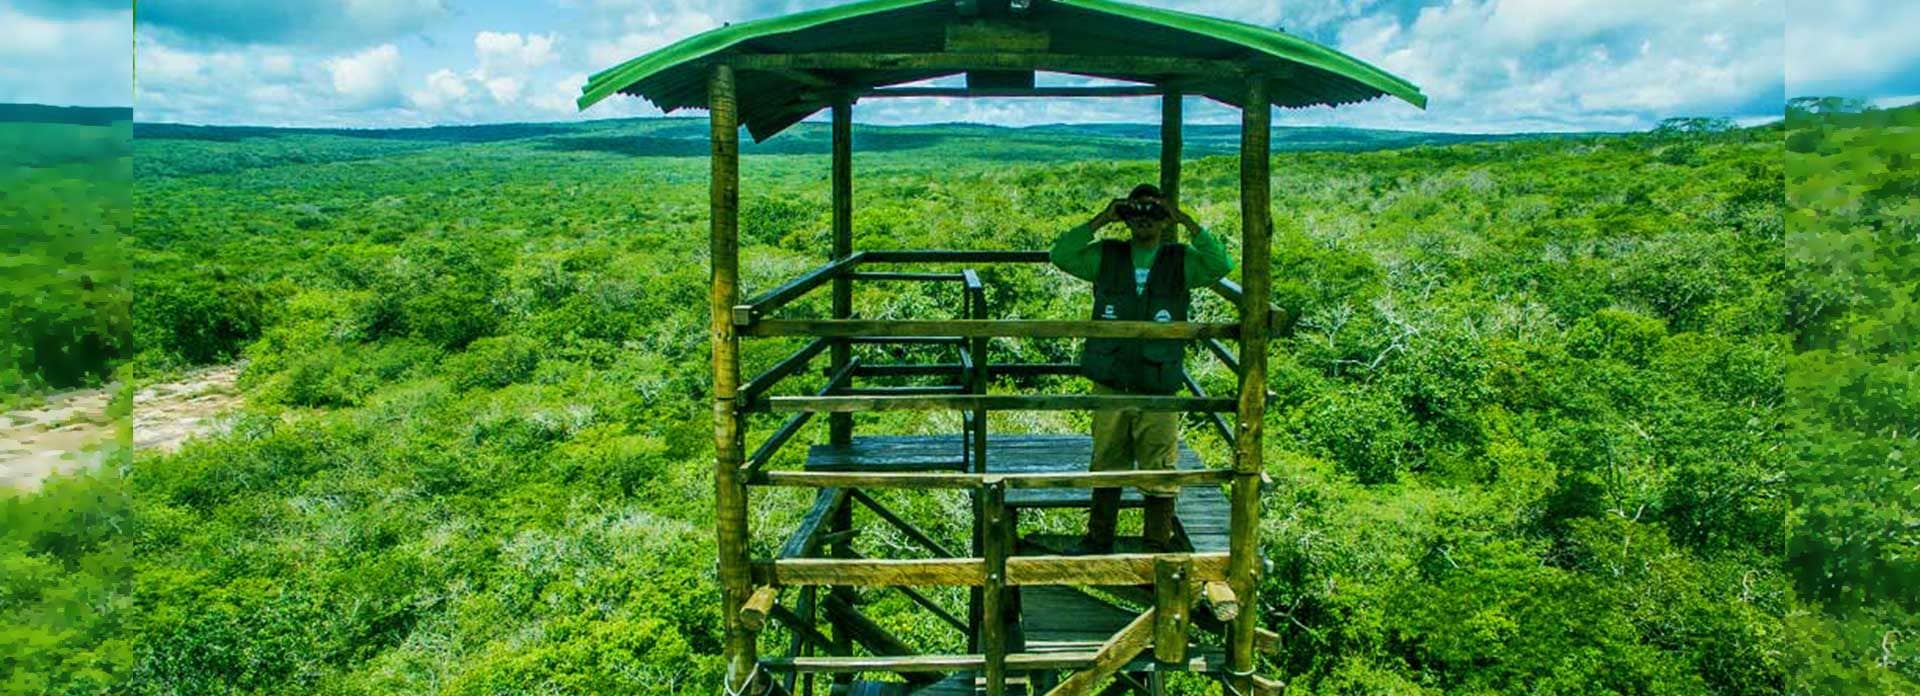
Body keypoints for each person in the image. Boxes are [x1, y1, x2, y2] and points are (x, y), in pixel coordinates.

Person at [1048, 183, 1234, 553]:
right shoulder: (1107, 254)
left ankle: (1156, 544)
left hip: (1157, 383)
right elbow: (1061, 254)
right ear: (1127, 217)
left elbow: (1220, 264)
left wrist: (1184, 220)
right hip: (1112, 378)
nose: (1144, 220)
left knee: (1161, 465)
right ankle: (1098, 539)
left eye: (1154, 213)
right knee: (1106, 461)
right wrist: (1103, 218)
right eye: (1137, 212)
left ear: (1164, 220)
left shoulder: (1180, 260)